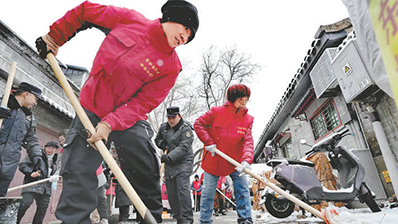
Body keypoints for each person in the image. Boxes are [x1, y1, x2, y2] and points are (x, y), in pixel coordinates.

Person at [35, 1, 199, 223]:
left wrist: (110, 123)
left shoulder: (170, 65)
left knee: (145, 164)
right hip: (92, 107)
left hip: (129, 118)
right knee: (78, 170)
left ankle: (150, 219)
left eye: (190, 36)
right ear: (170, 17)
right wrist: (56, 37)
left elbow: (143, 102)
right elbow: (85, 12)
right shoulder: (129, 20)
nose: (185, 37)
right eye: (185, 28)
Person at [194, 84, 254, 224]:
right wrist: (208, 142)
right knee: (208, 194)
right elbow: (198, 124)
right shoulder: (216, 112)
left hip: (235, 161)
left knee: (243, 190)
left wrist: (246, 160)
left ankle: (245, 219)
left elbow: (248, 141)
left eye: (246, 99)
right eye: (241, 99)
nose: (244, 103)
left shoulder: (247, 120)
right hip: (214, 159)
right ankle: (205, 221)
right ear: (233, 99)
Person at [0, 82, 45, 196]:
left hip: (7, 168)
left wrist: (37, 156)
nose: (35, 103)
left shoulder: (28, 118)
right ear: (26, 94)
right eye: (35, 99)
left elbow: (31, 139)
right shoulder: (2, 104)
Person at [155, 106, 195, 224]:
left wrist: (169, 157)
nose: (171, 120)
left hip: (183, 163)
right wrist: (162, 144)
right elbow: (157, 140)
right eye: (169, 117)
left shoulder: (186, 129)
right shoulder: (163, 127)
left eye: (174, 117)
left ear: (179, 116)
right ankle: (179, 218)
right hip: (170, 166)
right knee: (171, 193)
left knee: (182, 191)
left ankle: (187, 220)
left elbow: (184, 147)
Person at [16, 141, 60, 224]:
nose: (50, 150)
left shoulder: (56, 159)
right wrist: (31, 172)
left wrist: (55, 177)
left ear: (56, 150)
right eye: (48, 147)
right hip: (32, 184)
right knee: (25, 204)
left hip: (45, 188)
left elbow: (57, 171)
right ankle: (14, 222)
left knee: (42, 209)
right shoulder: (36, 155)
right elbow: (22, 165)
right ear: (45, 147)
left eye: (52, 148)